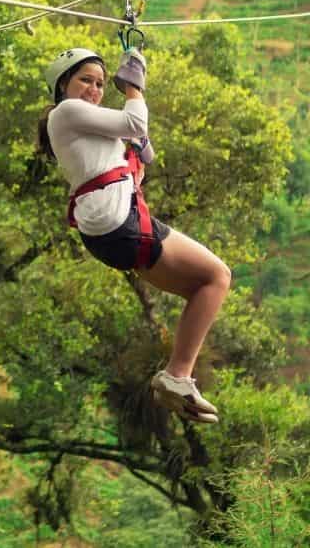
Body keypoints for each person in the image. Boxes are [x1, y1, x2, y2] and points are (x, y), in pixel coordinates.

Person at [37, 47, 231, 424]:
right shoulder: (66, 111)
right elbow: (134, 122)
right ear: (63, 85)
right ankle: (176, 376)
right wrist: (133, 89)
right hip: (118, 226)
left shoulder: (83, 124)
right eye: (85, 81)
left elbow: (129, 138)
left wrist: (134, 151)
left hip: (110, 232)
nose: (94, 89)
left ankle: (178, 377)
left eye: (100, 83)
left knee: (205, 287)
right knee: (216, 276)